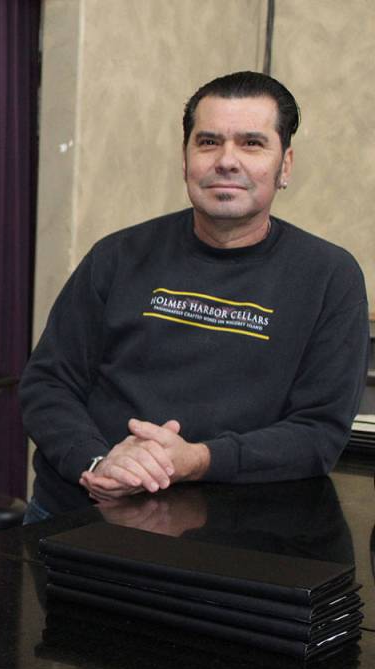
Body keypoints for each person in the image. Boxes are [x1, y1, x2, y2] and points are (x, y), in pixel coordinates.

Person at [20, 71, 369, 522]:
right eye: (208, 142)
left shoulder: (329, 277)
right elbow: (48, 383)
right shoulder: (118, 256)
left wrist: (197, 459)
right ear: (185, 161)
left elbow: (317, 434)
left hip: (234, 538)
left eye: (251, 143)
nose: (227, 160)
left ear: (285, 165)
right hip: (78, 515)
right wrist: (98, 461)